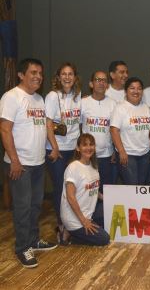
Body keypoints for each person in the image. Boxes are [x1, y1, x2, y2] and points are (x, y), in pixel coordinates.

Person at [0, 58, 57, 268]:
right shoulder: (11, 97)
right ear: (21, 75)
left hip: (38, 162)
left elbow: (40, 127)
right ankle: (23, 248)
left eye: (40, 73)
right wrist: (14, 161)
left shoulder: (39, 99)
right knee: (23, 207)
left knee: (35, 205)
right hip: (20, 164)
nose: (38, 77)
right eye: (33, 72)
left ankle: (33, 240)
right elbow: (5, 130)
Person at [45, 62, 82, 237]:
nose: (67, 77)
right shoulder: (53, 96)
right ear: (58, 77)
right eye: (64, 74)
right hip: (57, 150)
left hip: (72, 150)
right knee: (60, 188)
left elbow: (78, 124)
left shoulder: (78, 95)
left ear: (75, 78)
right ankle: (62, 225)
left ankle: (72, 222)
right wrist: (54, 147)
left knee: (72, 186)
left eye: (70, 74)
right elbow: (48, 123)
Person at [59, 133, 110, 246]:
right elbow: (70, 197)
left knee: (110, 215)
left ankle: (73, 232)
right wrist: (84, 221)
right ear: (78, 148)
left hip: (88, 214)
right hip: (75, 218)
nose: (89, 148)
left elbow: (93, 190)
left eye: (91, 145)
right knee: (104, 239)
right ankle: (70, 235)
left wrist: (108, 199)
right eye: (85, 145)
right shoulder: (73, 167)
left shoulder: (93, 166)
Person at [110, 77, 150, 185]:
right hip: (128, 155)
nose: (136, 91)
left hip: (145, 154)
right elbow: (114, 130)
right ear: (126, 91)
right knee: (132, 187)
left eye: (139, 88)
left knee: (141, 186)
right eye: (132, 88)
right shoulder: (120, 108)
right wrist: (121, 151)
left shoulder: (146, 108)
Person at [81, 71, 117, 192]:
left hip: (106, 156)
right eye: (98, 80)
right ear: (91, 84)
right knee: (88, 190)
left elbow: (115, 130)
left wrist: (114, 149)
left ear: (107, 85)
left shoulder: (113, 104)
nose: (101, 83)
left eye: (104, 80)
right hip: (87, 155)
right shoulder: (83, 103)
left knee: (105, 190)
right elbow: (78, 127)